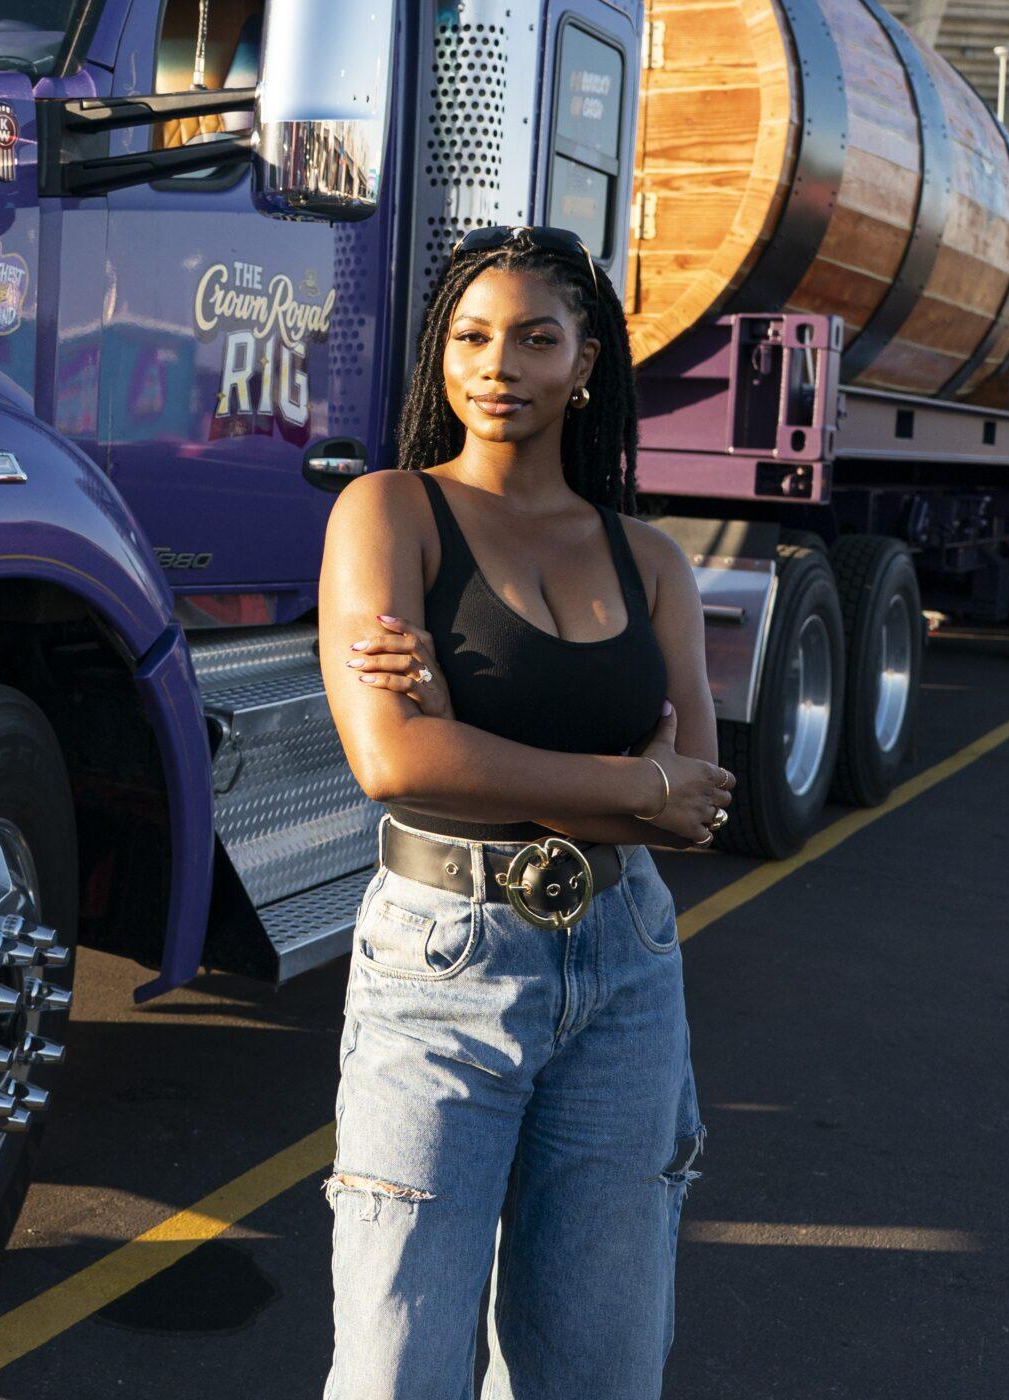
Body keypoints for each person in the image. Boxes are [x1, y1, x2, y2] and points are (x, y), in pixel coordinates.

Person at [315, 224, 734, 1398]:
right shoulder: (390, 513)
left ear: (585, 363)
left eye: (534, 340)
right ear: (440, 360)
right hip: (441, 964)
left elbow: (695, 808)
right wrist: (626, 780)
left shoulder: (648, 558)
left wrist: (484, 750)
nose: (497, 366)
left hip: (626, 964)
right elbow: (395, 762)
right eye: (470, 337)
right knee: (398, 1361)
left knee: (596, 1366)